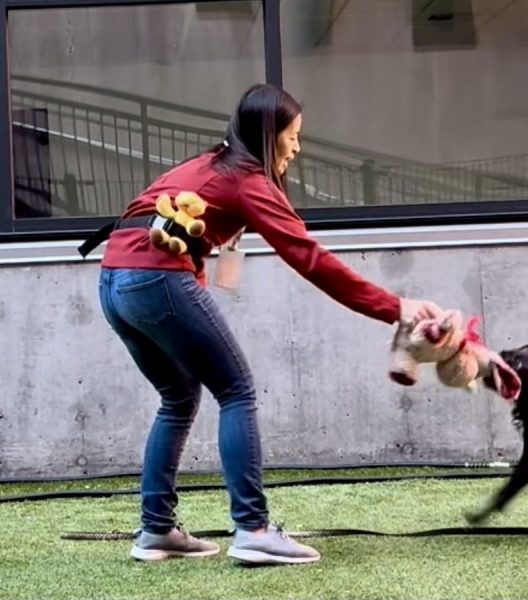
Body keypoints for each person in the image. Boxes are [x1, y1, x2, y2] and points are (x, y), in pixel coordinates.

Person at [92, 83, 443, 565]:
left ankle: (156, 531)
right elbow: (311, 259)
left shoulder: (210, 164)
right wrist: (395, 307)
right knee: (237, 390)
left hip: (114, 283)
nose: (297, 148)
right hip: (154, 281)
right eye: (293, 136)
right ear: (268, 134)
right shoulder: (247, 179)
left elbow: (158, 224)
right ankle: (253, 529)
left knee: (178, 396)